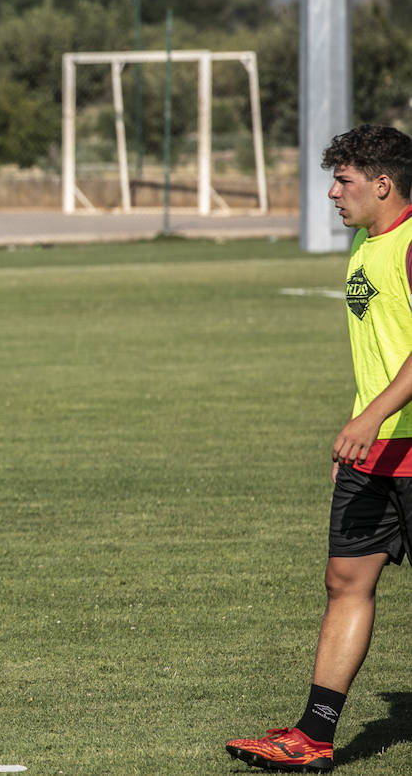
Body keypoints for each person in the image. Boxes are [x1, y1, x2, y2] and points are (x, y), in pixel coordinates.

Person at [225, 125, 412, 773]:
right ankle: (314, 734)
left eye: (345, 181)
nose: (333, 193)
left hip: (404, 444)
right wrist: (361, 431)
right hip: (376, 451)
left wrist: (372, 419)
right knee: (344, 581)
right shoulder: (365, 243)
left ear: (383, 184)